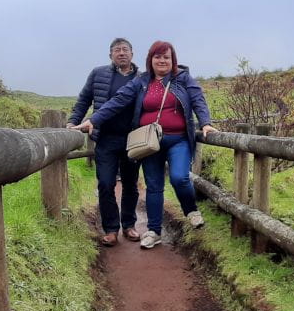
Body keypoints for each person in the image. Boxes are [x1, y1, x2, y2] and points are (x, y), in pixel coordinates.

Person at [74, 41, 218, 249]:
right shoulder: (142, 81)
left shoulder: (183, 78)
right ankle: (153, 231)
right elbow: (119, 100)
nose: (162, 60)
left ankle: (190, 209)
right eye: (157, 57)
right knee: (153, 186)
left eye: (166, 57)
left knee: (179, 177)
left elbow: (198, 100)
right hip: (150, 142)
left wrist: (205, 123)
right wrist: (94, 119)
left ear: (173, 60)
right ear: (150, 60)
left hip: (178, 139)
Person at [67, 38, 143, 247]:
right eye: (116, 50)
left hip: (133, 139)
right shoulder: (98, 74)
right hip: (106, 138)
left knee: (130, 184)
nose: (121, 53)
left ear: (132, 53)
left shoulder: (142, 78)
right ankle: (111, 229)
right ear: (110, 55)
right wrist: (73, 122)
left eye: (125, 49)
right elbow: (84, 100)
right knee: (105, 183)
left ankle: (129, 225)